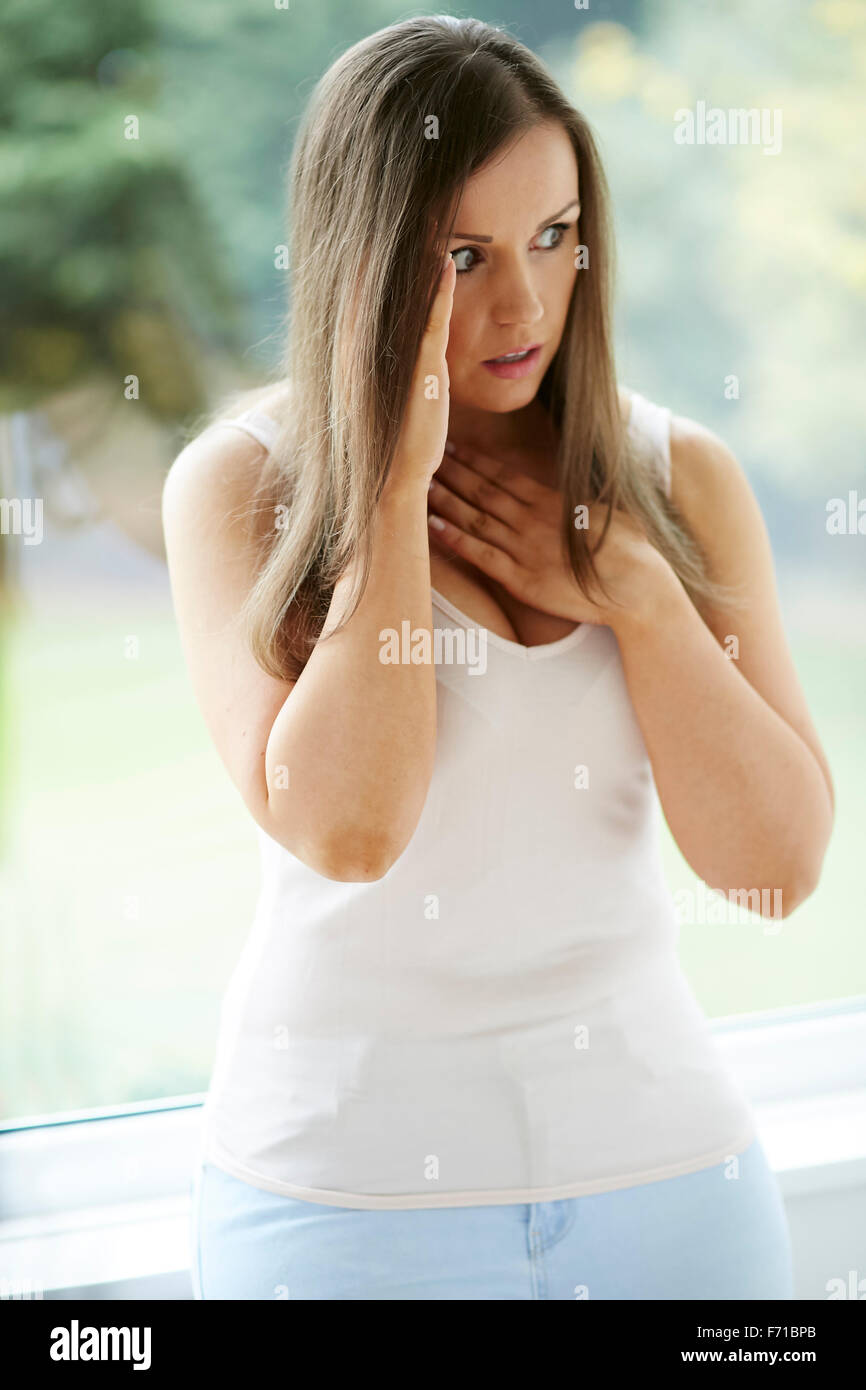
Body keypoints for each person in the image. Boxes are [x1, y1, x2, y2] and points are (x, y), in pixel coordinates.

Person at [162, 15, 834, 1300]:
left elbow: (771, 871)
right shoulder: (240, 488)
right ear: (364, 265)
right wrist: (390, 482)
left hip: (672, 1189)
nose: (522, 303)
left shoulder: (677, 475)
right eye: (462, 255)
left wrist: (638, 595)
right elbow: (351, 832)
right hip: (343, 1208)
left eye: (552, 235)